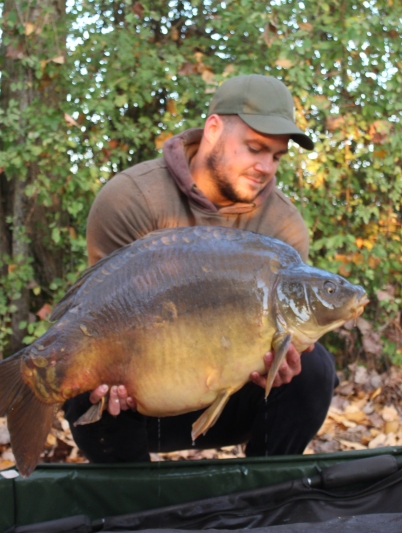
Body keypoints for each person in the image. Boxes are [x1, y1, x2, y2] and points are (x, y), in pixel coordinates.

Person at [62, 74, 337, 462]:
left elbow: (285, 339)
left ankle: (265, 495)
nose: (266, 167)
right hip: (139, 395)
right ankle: (134, 504)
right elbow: (102, 312)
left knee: (315, 370)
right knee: (81, 369)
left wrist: (284, 362)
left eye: (276, 156)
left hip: (228, 399)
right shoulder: (132, 198)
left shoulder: (283, 226)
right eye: (255, 148)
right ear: (213, 130)